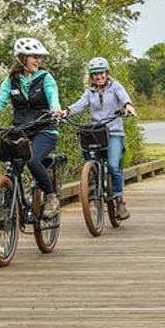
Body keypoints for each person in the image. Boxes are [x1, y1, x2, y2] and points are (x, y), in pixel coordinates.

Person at [0, 37, 62, 219]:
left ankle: (51, 197)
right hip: (22, 130)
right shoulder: (12, 80)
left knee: (33, 161)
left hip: (44, 129)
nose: (38, 60)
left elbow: (53, 96)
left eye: (39, 57)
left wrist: (55, 109)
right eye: (34, 56)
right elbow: (0, 98)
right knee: (14, 165)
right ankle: (8, 206)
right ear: (22, 58)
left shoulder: (45, 78)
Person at [57, 56, 137, 221]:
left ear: (107, 73)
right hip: (97, 133)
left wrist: (128, 106)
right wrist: (66, 112)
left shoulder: (115, 87)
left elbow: (124, 97)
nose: (98, 77)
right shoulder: (90, 92)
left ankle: (119, 199)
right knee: (90, 160)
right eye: (95, 74)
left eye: (101, 73)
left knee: (113, 166)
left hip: (114, 132)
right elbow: (80, 104)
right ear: (91, 76)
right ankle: (94, 184)